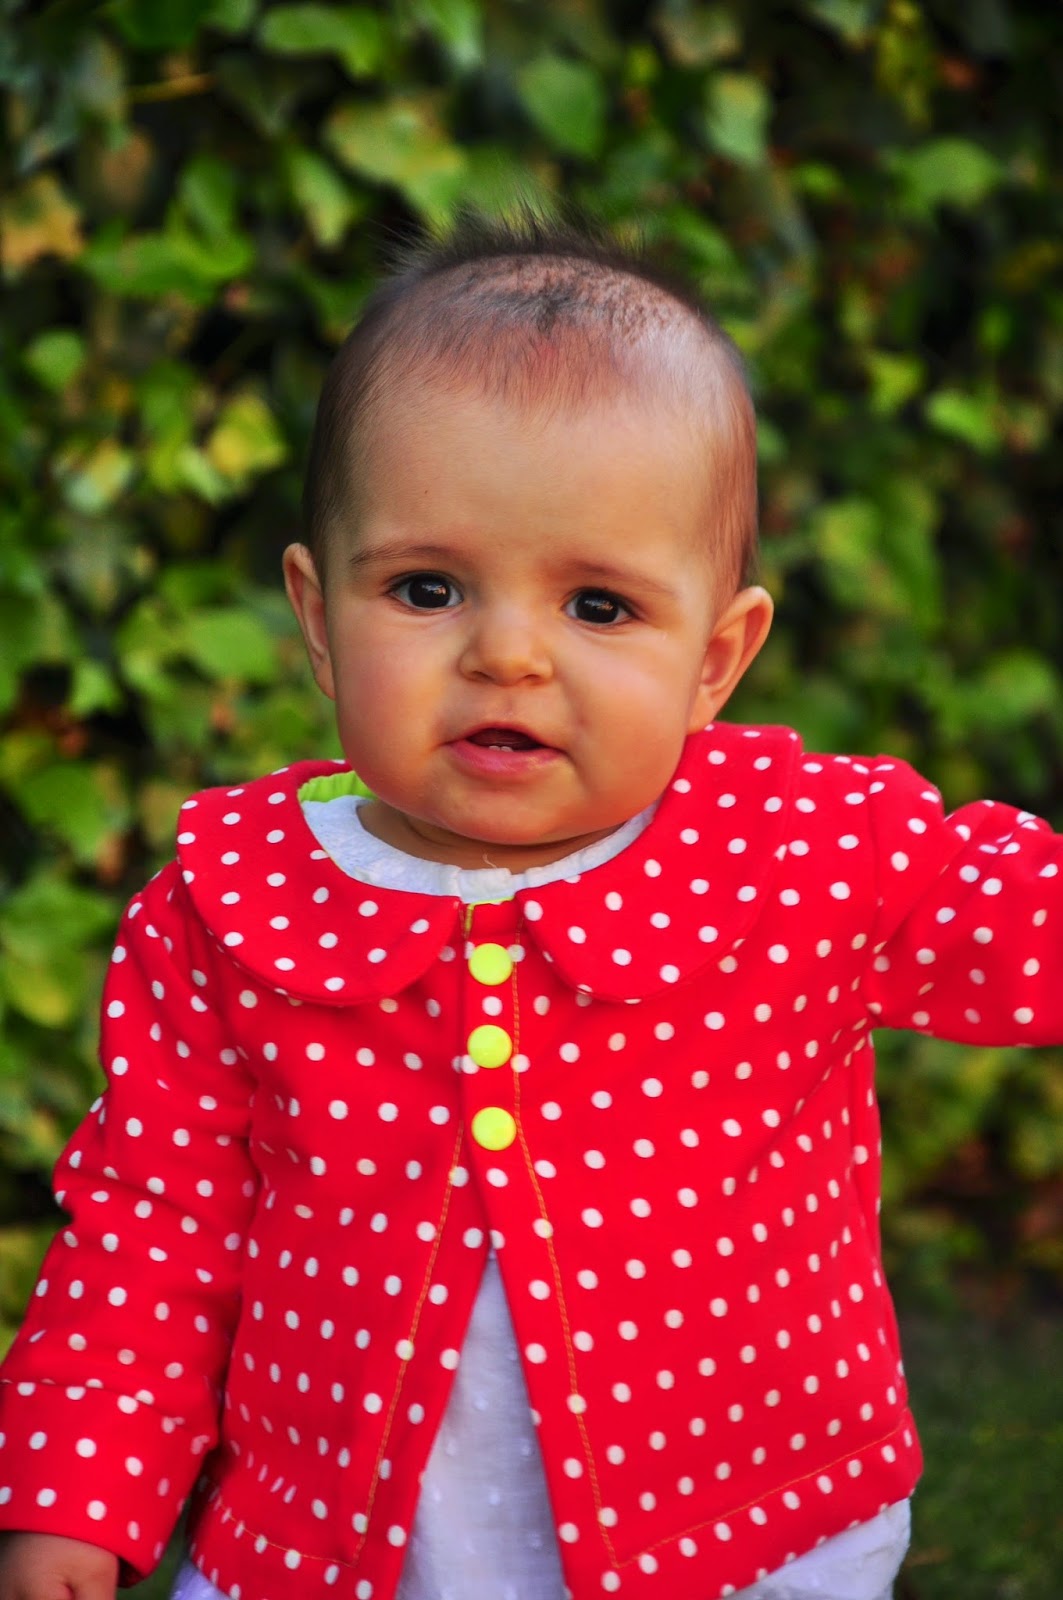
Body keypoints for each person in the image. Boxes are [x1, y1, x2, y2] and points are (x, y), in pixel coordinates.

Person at [0, 211, 1058, 1600]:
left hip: (741, 1536)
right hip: (326, 1551)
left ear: (717, 657)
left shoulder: (801, 848)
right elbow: (150, 1231)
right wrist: (76, 1495)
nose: (507, 654)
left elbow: (1026, 921)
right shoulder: (231, 902)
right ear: (317, 616)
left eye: (600, 607)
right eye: (427, 588)